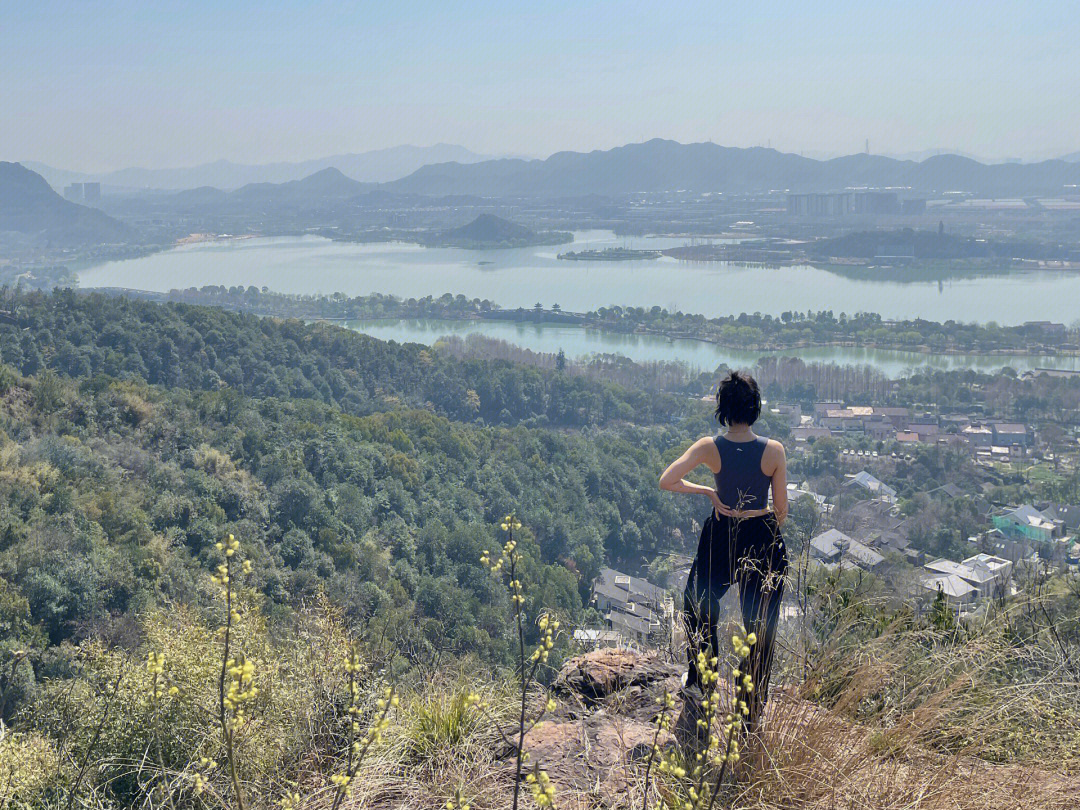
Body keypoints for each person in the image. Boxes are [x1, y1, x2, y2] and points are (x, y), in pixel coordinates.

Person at [658, 370, 788, 740]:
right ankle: (750, 711)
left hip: (722, 532)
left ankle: (702, 683)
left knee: (698, 606)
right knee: (759, 627)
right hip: (762, 537)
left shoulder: (709, 447)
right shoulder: (774, 450)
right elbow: (781, 510)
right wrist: (759, 519)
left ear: (722, 409)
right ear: (755, 407)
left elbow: (667, 480)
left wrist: (709, 494)